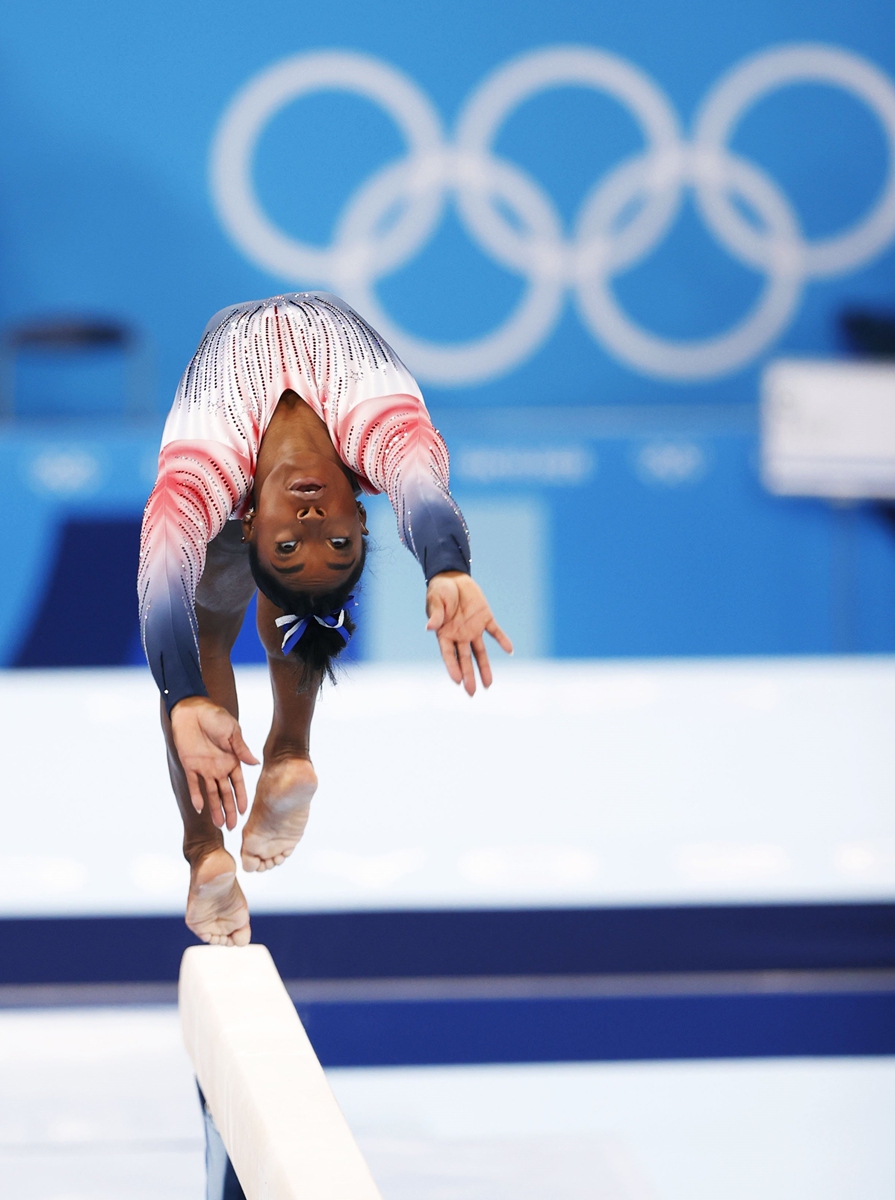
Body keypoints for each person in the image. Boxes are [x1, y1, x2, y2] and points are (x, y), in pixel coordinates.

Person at [138, 292, 512, 946]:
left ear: (249, 520)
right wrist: (447, 569)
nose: (312, 525)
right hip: (320, 349)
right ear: (360, 511)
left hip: (237, 451)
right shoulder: (376, 425)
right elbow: (423, 490)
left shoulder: (207, 457)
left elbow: (165, 571)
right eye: (339, 542)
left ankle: (206, 853)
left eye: (291, 543)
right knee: (236, 621)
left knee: (206, 630)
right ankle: (287, 753)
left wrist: (184, 696)